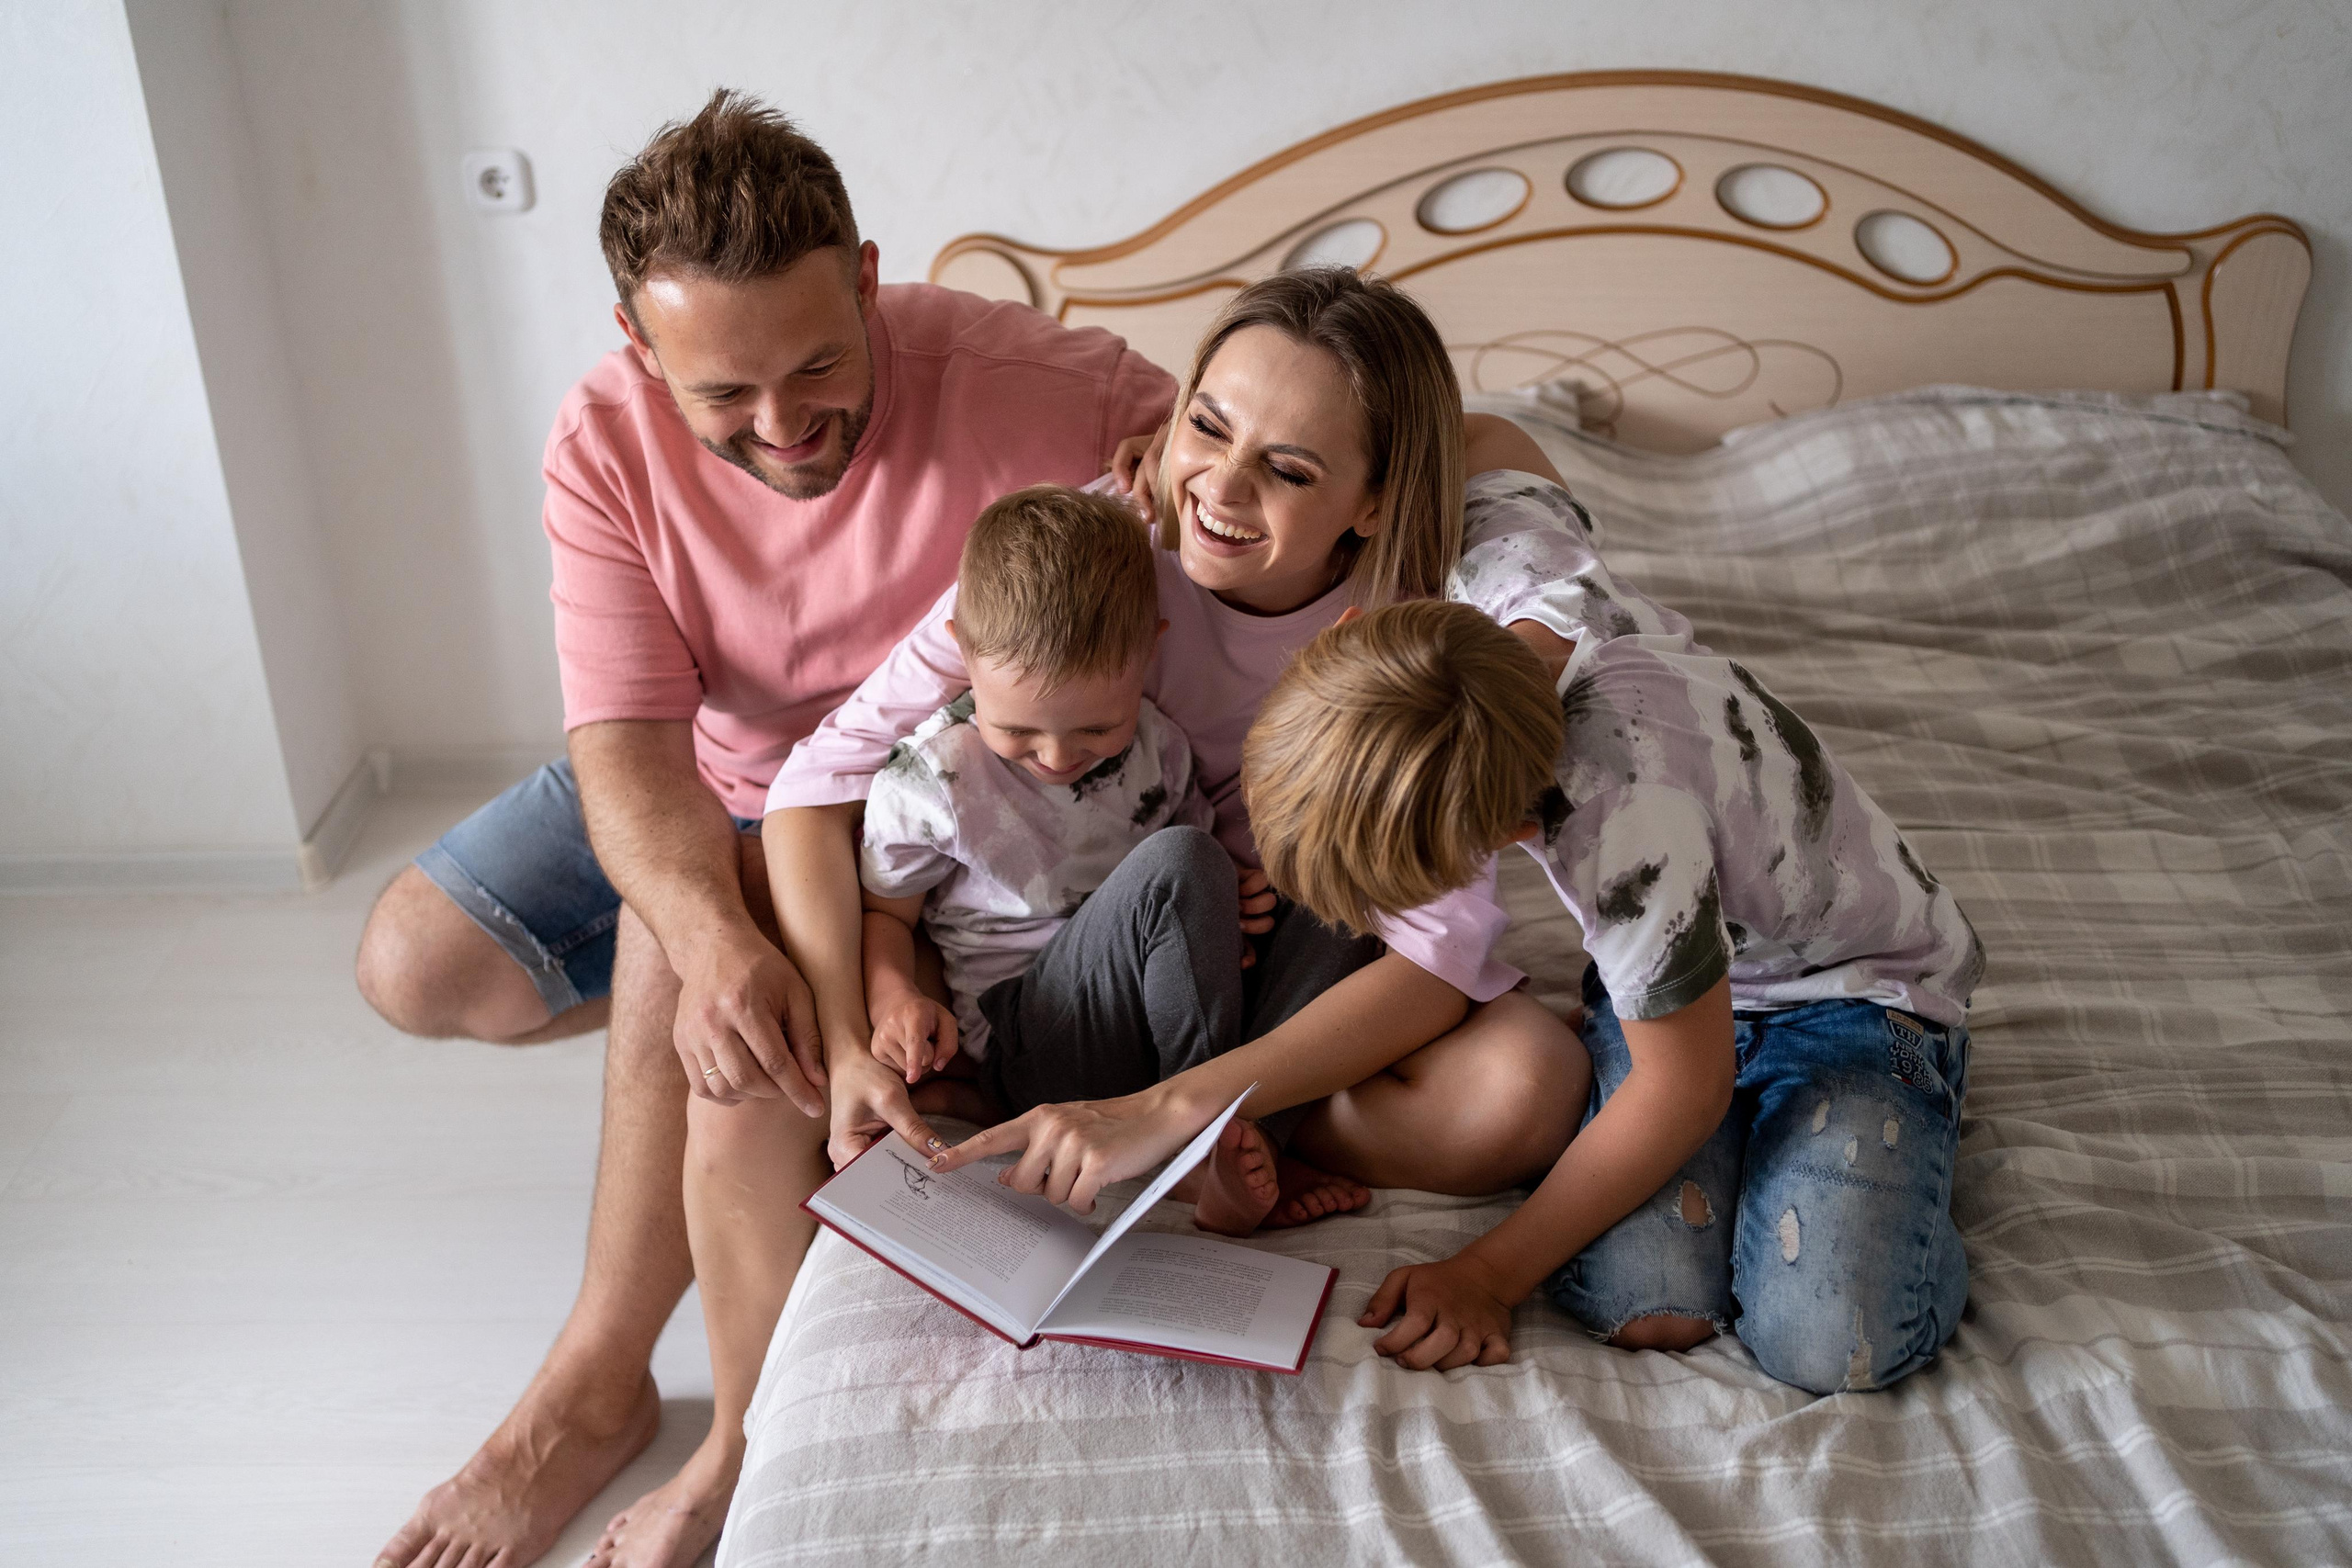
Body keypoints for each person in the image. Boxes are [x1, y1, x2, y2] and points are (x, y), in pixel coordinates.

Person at [359, 91, 1176, 1568]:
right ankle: (740, 987)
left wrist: (1493, 477)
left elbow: (1265, 460)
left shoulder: (1032, 377)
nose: (788, 427)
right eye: (724, 395)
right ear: (636, 341)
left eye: (818, 364)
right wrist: (708, 914)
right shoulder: (602, 439)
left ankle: (596, 1386)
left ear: (868, 280)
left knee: (705, 945)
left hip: (900, 794)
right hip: (706, 763)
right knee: (419, 963)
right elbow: (623, 746)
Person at [756, 269, 1694, 1329]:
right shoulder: (1099, 555)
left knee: (1529, 1080)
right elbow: (815, 782)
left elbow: (1433, 948)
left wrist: (1182, 1104)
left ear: (1375, 499)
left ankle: (1229, 1124)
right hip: (1106, 966)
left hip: (1269, 963)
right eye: (1207, 425)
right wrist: (845, 1040)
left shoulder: (1412, 637)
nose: (1220, 489)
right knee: (1181, 875)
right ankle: (1240, 1123)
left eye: (1287, 468)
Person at [1232, 600, 1986, 1390]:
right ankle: (1745, 1122)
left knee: (1832, 1344)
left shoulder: (1622, 826)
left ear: (1495, 841)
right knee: (1642, 1305)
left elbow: (1683, 1089)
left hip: (1861, 1003)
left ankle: (1909, 1190)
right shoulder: (1520, 613)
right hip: (1680, 990)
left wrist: (1487, 1273)